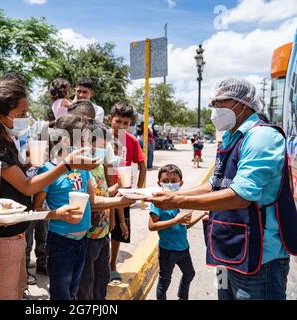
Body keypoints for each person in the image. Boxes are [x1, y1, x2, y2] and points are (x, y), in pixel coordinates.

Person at [149, 77, 297, 300]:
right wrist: (172, 193)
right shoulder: (229, 137)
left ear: (244, 101)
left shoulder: (261, 137)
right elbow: (214, 184)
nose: (215, 110)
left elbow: (240, 197)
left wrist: (175, 201)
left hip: (259, 261)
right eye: (213, 104)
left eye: (221, 102)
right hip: (227, 251)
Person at [0, 80, 100, 300]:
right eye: (21, 113)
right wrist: (66, 165)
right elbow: (26, 186)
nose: (26, 118)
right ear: (0, 117)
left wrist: (29, 164)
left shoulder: (5, 139)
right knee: (9, 294)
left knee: (18, 290)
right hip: (5, 236)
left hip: (15, 231)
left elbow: (15, 179)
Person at [33, 113, 135, 300]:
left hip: (83, 241)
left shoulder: (83, 168)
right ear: (65, 142)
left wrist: (121, 201)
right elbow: (36, 210)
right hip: (60, 243)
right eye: (84, 142)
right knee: (61, 293)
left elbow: (94, 201)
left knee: (73, 291)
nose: (88, 147)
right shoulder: (47, 171)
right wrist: (57, 214)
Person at [149, 164, 207, 300]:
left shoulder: (180, 201)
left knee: (189, 274)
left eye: (174, 181)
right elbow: (152, 226)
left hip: (183, 248)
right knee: (165, 281)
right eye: (165, 181)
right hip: (167, 251)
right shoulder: (158, 203)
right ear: (159, 183)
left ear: (181, 183)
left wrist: (201, 215)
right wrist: (175, 220)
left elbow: (185, 225)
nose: (170, 184)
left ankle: (182, 297)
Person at [77, 122, 120, 300]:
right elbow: (91, 202)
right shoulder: (81, 170)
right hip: (87, 236)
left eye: (103, 147)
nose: (99, 152)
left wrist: (120, 189)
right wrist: (118, 199)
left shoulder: (101, 167)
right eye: (96, 148)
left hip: (103, 233)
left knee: (102, 277)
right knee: (86, 280)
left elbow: (104, 193)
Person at [107, 102, 147, 283]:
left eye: (126, 123)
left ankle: (112, 264)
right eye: (118, 122)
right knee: (100, 229)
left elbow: (142, 164)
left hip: (123, 194)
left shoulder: (131, 140)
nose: (122, 126)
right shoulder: (100, 138)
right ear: (110, 119)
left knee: (118, 231)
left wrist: (137, 190)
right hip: (103, 192)